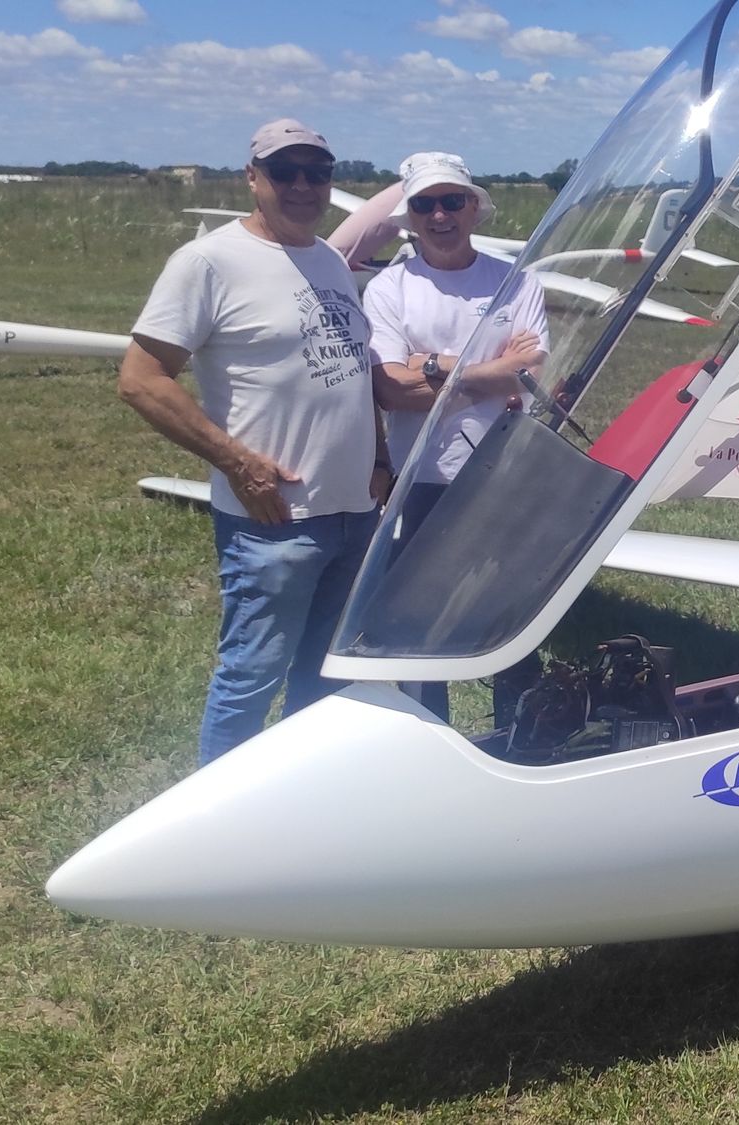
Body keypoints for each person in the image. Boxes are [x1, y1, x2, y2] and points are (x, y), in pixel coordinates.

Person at [118, 118, 388, 765]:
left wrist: (379, 457)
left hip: (353, 513)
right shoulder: (208, 261)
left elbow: (353, 371)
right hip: (274, 521)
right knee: (250, 679)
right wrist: (237, 462)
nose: (302, 185)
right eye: (284, 171)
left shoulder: (328, 259)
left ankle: (296, 798)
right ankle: (212, 831)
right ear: (253, 177)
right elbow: (140, 378)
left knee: (325, 676)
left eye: (316, 172)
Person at [361, 151, 549, 720]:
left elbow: (529, 375)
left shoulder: (516, 282)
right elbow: (390, 390)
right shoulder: (388, 289)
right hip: (419, 477)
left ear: (473, 208)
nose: (439, 215)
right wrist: (488, 375)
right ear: (410, 216)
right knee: (421, 619)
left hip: (501, 473)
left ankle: (524, 732)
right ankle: (427, 729)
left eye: (451, 202)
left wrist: (436, 368)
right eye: (425, 205)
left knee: (508, 612)